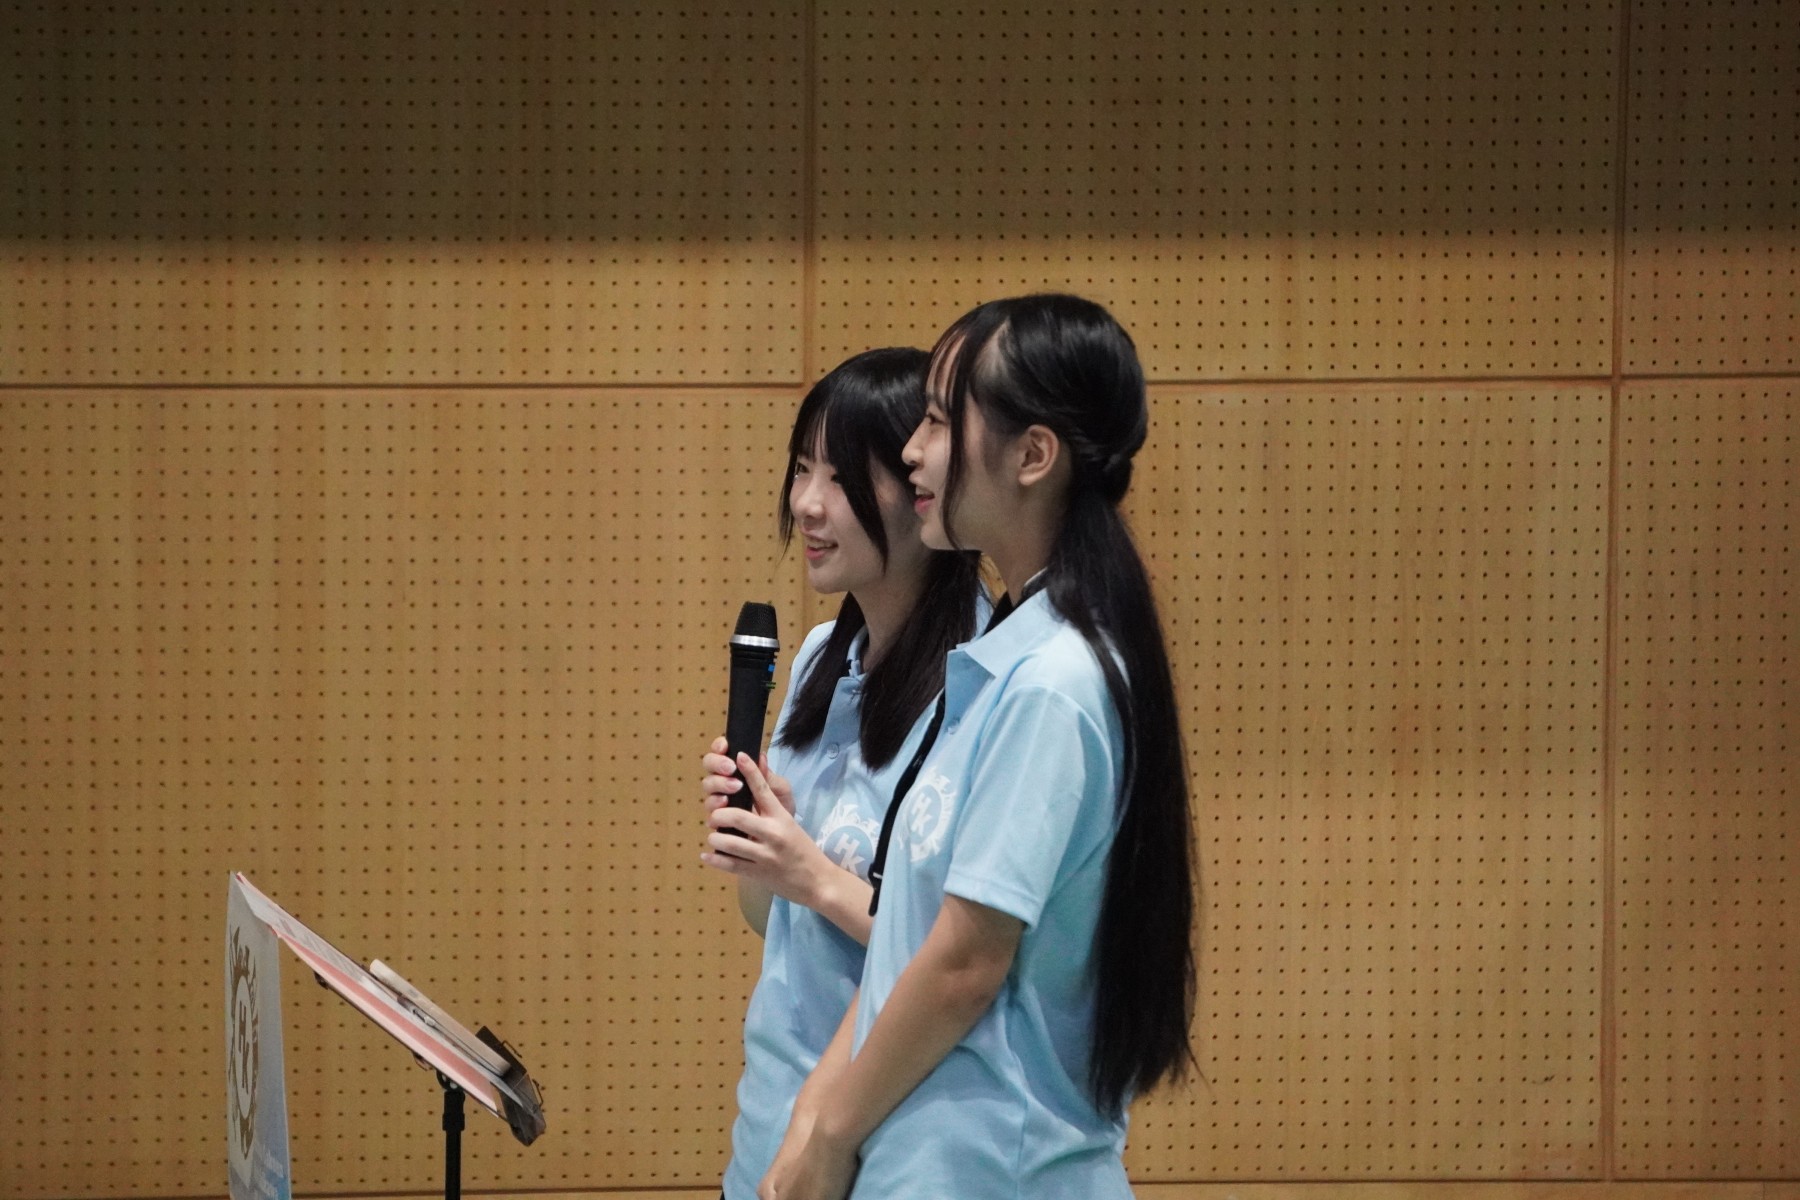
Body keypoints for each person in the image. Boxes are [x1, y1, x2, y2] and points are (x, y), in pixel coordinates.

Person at [757, 294, 1198, 1200]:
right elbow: (912, 945)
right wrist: (811, 1117)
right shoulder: (1004, 660)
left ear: (1032, 456)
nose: (915, 451)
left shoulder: (1053, 680)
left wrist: (829, 1134)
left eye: (937, 420)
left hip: (996, 1169)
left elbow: (964, 962)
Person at [700, 347, 985, 1200]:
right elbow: (775, 927)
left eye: (841, 475)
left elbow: (965, 957)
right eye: (801, 468)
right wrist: (765, 852)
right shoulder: (822, 656)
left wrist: (814, 876)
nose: (807, 503)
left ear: (920, 490)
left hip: (904, 1149)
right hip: (771, 1130)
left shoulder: (988, 680)